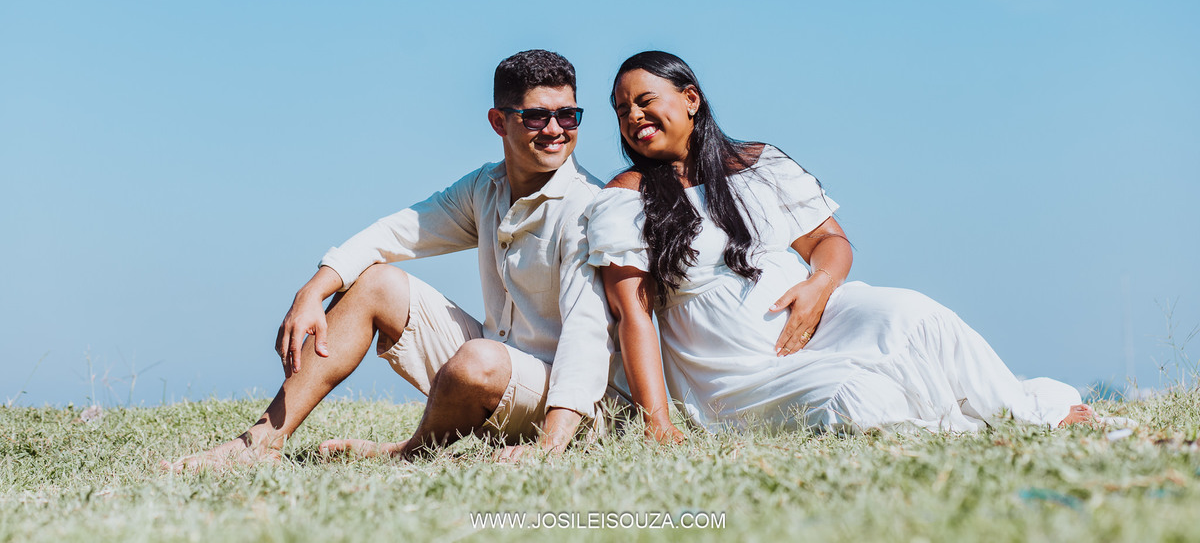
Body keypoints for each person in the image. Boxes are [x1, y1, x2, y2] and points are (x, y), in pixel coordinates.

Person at [588, 50, 1091, 441]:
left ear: (691, 99)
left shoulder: (758, 162)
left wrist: (819, 285)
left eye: (644, 100)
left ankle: (1031, 417)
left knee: (915, 315)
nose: (633, 115)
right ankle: (973, 434)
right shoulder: (626, 197)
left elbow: (830, 240)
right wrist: (658, 423)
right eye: (621, 109)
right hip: (735, 376)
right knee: (860, 398)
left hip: (823, 320)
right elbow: (632, 315)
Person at [165, 49, 614, 471]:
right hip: (499, 370)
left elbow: (588, 335)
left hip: (570, 405)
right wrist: (313, 290)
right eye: (537, 116)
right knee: (376, 282)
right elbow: (392, 233)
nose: (555, 129)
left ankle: (406, 453)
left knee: (480, 358)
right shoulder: (486, 187)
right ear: (499, 122)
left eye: (568, 115)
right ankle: (259, 444)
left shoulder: (587, 207)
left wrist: (550, 447)